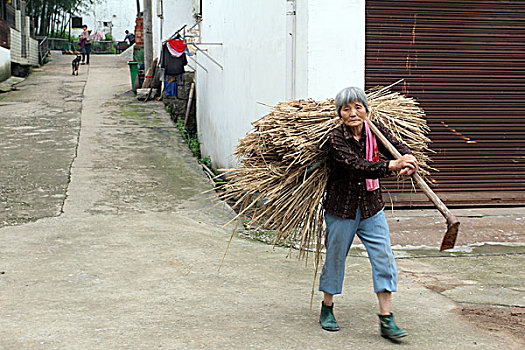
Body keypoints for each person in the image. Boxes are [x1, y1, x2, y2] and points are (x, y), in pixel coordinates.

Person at [318, 86, 418, 339]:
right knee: (335, 258)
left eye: (357, 107)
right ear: (339, 113)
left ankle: (386, 319)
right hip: (342, 209)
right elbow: (355, 166)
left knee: (384, 257)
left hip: (372, 208)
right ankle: (327, 307)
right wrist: (392, 165)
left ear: (366, 109)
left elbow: (395, 145)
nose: (352, 113)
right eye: (346, 109)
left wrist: (407, 157)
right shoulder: (335, 138)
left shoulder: (375, 130)